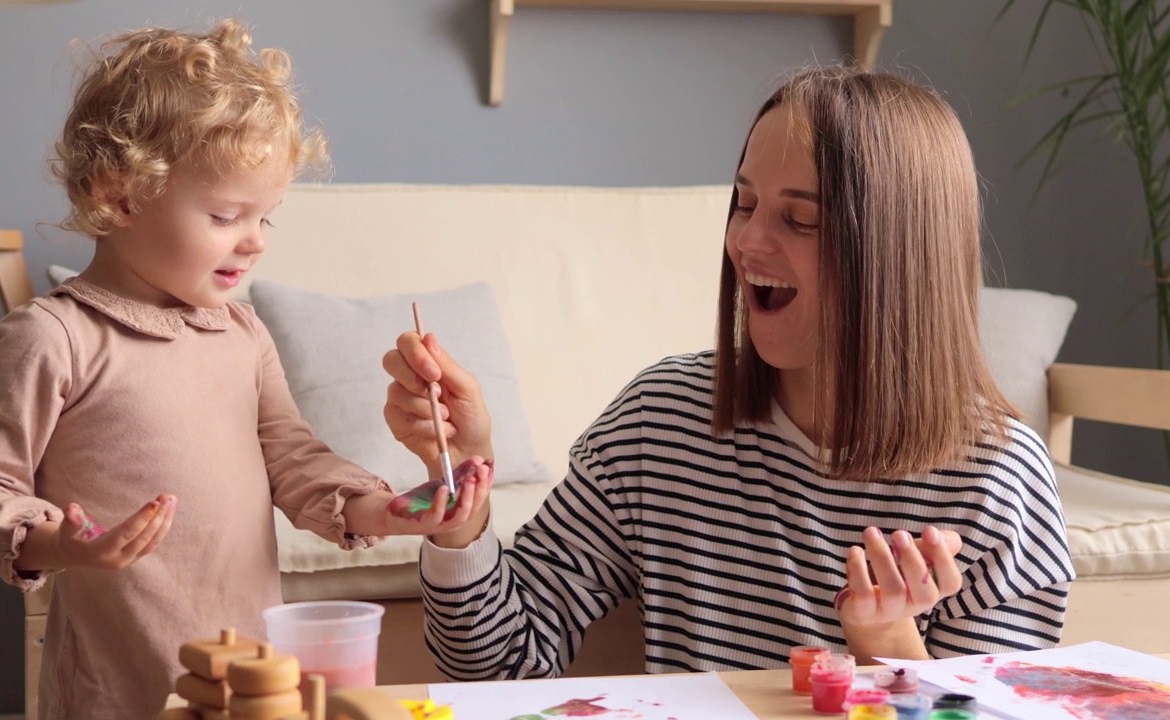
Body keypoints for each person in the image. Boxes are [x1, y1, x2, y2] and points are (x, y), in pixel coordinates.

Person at [382, 66, 1074, 680]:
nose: (746, 242)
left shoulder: (997, 480)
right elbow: (500, 659)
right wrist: (462, 494)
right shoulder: (663, 419)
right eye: (743, 204)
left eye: (798, 219)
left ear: (894, 255)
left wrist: (885, 643)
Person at [0, 20, 487, 718]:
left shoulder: (242, 334)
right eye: (227, 215)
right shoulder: (53, 337)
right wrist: (56, 541)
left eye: (267, 219)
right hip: (117, 689)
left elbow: (293, 459)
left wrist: (385, 508)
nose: (254, 242)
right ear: (121, 195)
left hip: (252, 683)